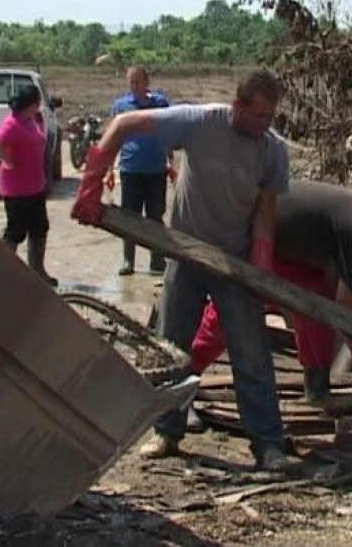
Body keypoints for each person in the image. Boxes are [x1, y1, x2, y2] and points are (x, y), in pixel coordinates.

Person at [71, 69, 290, 471]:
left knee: (252, 353)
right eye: (257, 115)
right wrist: (92, 180)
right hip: (185, 253)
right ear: (237, 105)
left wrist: (261, 264)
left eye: (270, 117)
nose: (263, 124)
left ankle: (268, 443)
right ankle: (166, 433)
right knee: (171, 346)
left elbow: (266, 211)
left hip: (233, 262)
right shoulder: (200, 122)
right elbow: (123, 124)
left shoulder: (272, 150)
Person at [190, 179, 352, 403]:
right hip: (260, 236)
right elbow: (344, 309)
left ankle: (316, 386)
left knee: (316, 306)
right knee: (231, 312)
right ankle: (186, 374)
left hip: (291, 249)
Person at [0, 84, 58, 287]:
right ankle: (2, 272)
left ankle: (37, 271)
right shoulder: (13, 123)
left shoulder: (31, 121)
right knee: (16, 230)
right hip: (17, 187)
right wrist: (9, 159)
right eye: (37, 103)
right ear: (31, 104)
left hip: (35, 184)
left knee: (39, 227)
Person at [107, 66, 172, 275]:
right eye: (130, 82)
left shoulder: (160, 103)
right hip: (130, 168)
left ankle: (157, 259)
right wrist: (109, 169)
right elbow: (113, 138)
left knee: (155, 215)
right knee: (129, 217)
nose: (134, 86)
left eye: (137, 82)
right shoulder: (121, 106)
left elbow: (168, 133)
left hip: (156, 169)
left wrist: (172, 162)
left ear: (147, 83)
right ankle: (129, 261)